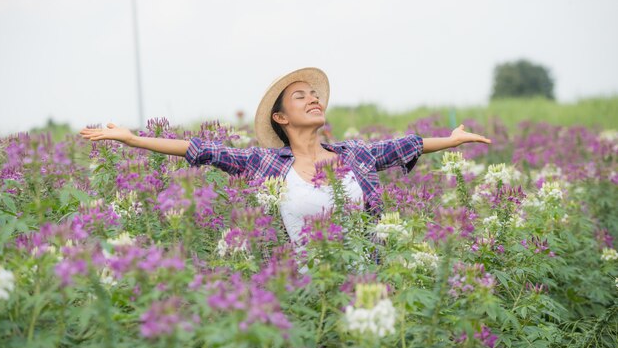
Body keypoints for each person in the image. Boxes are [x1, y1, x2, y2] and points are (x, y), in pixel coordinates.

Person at [80, 67, 491, 243]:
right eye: (301, 96)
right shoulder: (266, 164)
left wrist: (451, 140)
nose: (313, 99)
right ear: (280, 116)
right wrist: (132, 140)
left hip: (371, 282)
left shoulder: (356, 155)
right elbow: (201, 150)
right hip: (311, 291)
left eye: (315, 95)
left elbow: (407, 145)